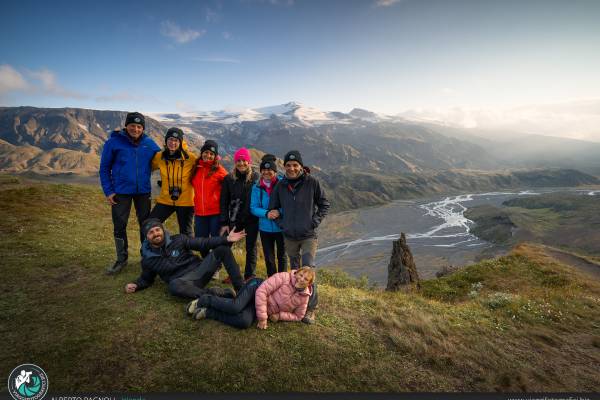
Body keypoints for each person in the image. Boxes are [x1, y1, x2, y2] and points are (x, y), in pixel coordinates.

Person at [268, 150, 330, 323]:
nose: (292, 168)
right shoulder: (280, 186)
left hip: (308, 235)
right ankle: (295, 305)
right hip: (289, 236)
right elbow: (273, 209)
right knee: (295, 273)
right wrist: (282, 224)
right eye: (288, 165)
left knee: (308, 270)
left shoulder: (312, 183)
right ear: (284, 166)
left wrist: (314, 222)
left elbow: (324, 204)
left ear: (301, 166)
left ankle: (311, 309)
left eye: (295, 165)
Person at [99, 112, 160, 275]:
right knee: (119, 225)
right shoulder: (113, 143)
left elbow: (165, 157)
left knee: (146, 225)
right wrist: (109, 191)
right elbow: (104, 168)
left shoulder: (149, 143)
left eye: (139, 126)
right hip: (121, 192)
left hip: (143, 192)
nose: (136, 129)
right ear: (126, 126)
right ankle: (121, 259)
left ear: (143, 128)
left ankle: (147, 257)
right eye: (132, 125)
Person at [124, 218, 246, 298]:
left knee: (223, 249)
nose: (156, 233)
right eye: (151, 232)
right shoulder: (148, 259)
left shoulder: (178, 239)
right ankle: (214, 294)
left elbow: (202, 242)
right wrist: (136, 285)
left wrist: (226, 239)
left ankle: (241, 290)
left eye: (157, 229)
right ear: (146, 237)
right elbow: (146, 279)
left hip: (200, 271)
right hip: (182, 283)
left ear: (162, 230)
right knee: (173, 286)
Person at [186, 267, 315, 330]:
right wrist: (263, 318)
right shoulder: (284, 277)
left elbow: (298, 316)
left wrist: (280, 315)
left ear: (309, 284)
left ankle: (209, 312)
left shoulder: (304, 297)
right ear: (297, 272)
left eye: (306, 279)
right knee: (235, 307)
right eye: (301, 274)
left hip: (260, 306)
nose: (301, 279)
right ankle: (204, 300)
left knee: (244, 322)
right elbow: (262, 291)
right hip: (256, 289)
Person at [219, 147, 259, 282]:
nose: (241, 163)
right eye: (238, 160)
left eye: (244, 160)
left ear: (249, 161)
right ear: (235, 162)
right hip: (234, 218)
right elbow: (223, 201)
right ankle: (233, 273)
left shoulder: (255, 178)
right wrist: (224, 222)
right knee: (226, 245)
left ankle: (249, 276)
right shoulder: (229, 179)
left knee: (251, 247)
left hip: (252, 218)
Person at [148, 127, 197, 236]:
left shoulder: (190, 158)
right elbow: (147, 167)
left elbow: (205, 169)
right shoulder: (159, 157)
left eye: (176, 140)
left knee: (186, 233)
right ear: (166, 141)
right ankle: (160, 248)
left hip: (186, 201)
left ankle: (186, 253)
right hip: (166, 199)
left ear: (180, 142)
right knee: (150, 224)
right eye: (170, 139)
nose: (173, 143)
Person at [250, 154, 287, 277]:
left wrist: (279, 212)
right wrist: (266, 213)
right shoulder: (257, 187)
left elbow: (289, 204)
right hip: (265, 228)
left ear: (275, 171)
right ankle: (272, 281)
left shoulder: (283, 184)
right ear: (261, 171)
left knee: (282, 256)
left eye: (269, 170)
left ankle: (283, 282)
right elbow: (253, 207)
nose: (266, 172)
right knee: (269, 258)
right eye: (264, 170)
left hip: (281, 227)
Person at [191, 140, 228, 255]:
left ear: (215, 156)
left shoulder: (219, 170)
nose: (208, 155)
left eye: (212, 154)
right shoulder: (196, 168)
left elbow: (230, 184)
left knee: (216, 241)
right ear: (202, 153)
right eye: (206, 152)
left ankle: (215, 266)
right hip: (199, 213)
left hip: (215, 213)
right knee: (201, 242)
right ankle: (205, 264)